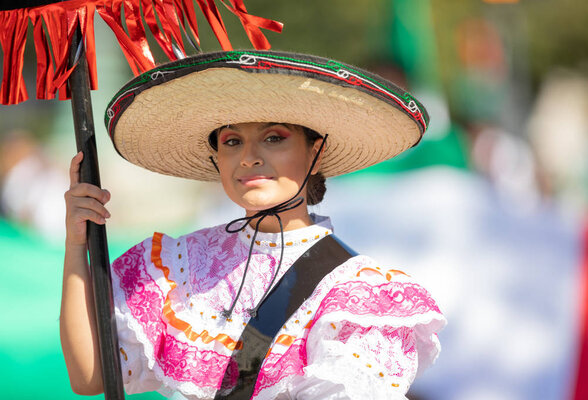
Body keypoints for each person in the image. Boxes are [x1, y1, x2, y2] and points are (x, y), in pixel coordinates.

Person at [60, 50, 446, 400]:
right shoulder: (177, 265)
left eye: (273, 138)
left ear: (315, 149)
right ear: (217, 160)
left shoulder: (358, 295)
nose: (248, 157)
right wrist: (77, 244)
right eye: (231, 142)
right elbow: (91, 376)